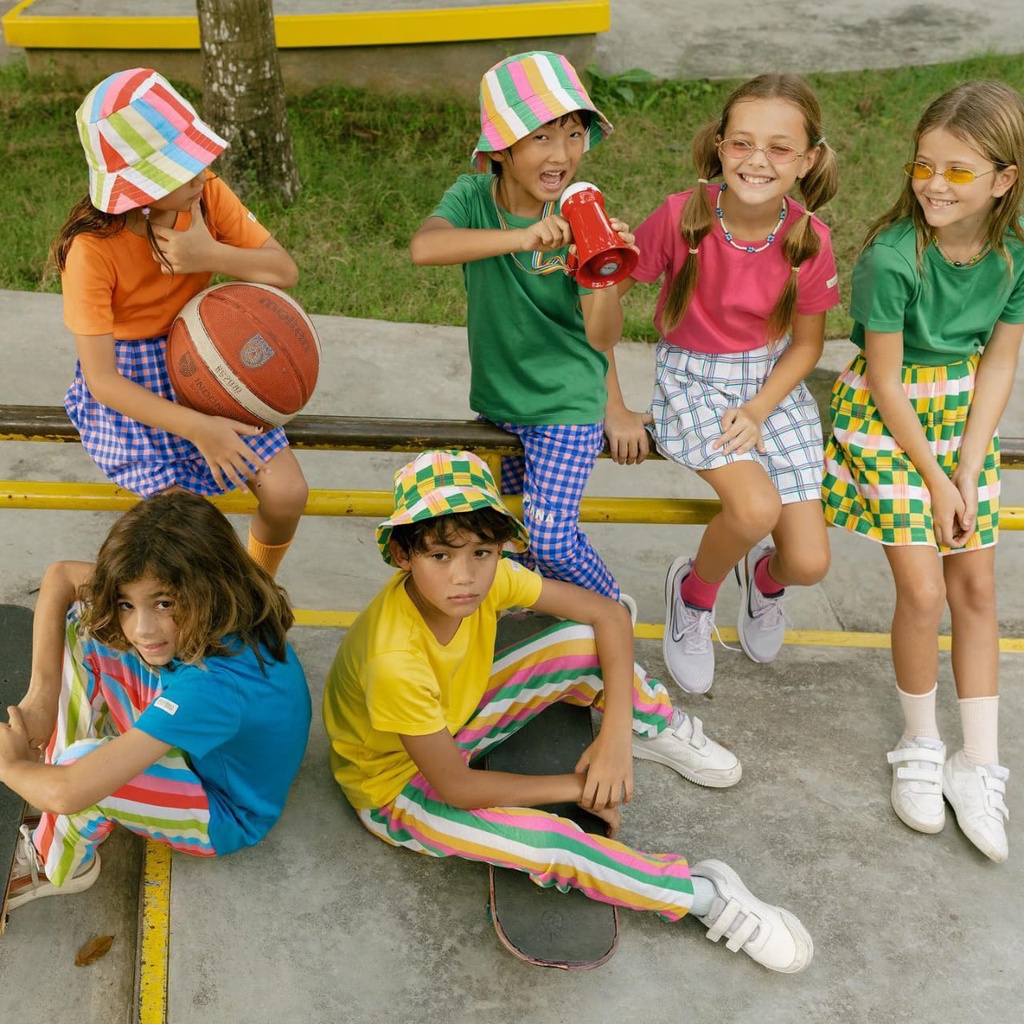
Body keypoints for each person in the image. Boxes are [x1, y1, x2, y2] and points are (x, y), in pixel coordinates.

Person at [322, 449, 815, 974]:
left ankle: (651, 726)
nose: (464, 576)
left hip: (453, 720)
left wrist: (616, 740)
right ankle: (703, 895)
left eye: (481, 553)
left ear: (497, 548)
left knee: (581, 639)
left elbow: (607, 615)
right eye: (440, 557)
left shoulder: (491, 579)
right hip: (399, 786)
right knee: (551, 845)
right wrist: (579, 789)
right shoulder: (394, 661)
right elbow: (457, 789)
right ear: (402, 554)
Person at [822, 82, 1024, 863]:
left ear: (1004, 180)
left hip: (962, 419)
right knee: (926, 589)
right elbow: (881, 380)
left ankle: (978, 764)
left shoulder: (1013, 256)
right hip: (887, 421)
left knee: (978, 589)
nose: (934, 184)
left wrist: (971, 464)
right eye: (924, 165)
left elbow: (1002, 359)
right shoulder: (892, 258)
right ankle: (918, 744)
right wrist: (936, 481)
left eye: (959, 171)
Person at [621, 74, 840, 694]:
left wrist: (761, 407)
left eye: (779, 148)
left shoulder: (808, 240)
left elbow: (807, 346)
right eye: (742, 143)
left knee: (808, 562)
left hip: (770, 386)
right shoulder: (677, 218)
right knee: (753, 508)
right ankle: (693, 597)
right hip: (692, 379)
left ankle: (762, 583)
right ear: (718, 145)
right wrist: (614, 404)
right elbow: (600, 297)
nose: (758, 161)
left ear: (808, 160)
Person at [409, 51, 646, 619]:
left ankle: (610, 610)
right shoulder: (472, 199)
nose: (561, 154)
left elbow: (600, 334)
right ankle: (556, 624)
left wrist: (607, 274)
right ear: (501, 150)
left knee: (551, 536)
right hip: (500, 401)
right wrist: (523, 239)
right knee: (512, 532)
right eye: (540, 137)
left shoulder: (582, 219)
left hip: (564, 403)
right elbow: (426, 247)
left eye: (572, 134)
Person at [0, 491, 311, 910]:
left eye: (164, 603)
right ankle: (52, 762)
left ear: (208, 584)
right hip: (212, 739)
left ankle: (57, 861)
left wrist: (9, 766)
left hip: (225, 810)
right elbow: (61, 577)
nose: (142, 627)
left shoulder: (211, 689)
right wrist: (41, 696)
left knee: (79, 774)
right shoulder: (227, 600)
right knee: (86, 621)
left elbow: (70, 792)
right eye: (129, 603)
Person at [54, 67, 308, 577]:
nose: (200, 173)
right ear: (137, 191)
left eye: (197, 160)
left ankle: (257, 585)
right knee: (188, 534)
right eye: (179, 170)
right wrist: (200, 430)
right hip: (134, 387)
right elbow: (102, 380)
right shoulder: (91, 251)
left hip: (207, 359)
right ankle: (200, 613)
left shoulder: (204, 193)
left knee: (287, 492)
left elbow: (283, 270)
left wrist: (207, 253)